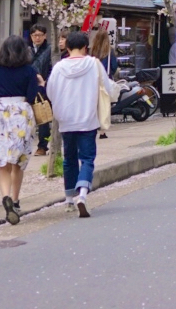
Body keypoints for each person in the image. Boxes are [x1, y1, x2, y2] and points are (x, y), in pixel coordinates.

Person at [0, 34, 45, 226]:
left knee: (2, 163)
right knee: (18, 163)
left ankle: (6, 197)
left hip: (0, 113)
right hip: (21, 114)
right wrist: (41, 85)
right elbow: (32, 95)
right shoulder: (29, 71)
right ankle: (16, 199)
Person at [46, 30, 119, 217]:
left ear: (67, 47)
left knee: (69, 159)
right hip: (88, 118)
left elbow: (50, 92)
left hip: (66, 120)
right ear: (86, 47)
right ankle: (83, 194)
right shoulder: (94, 64)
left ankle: (69, 198)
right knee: (87, 158)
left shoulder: (59, 67)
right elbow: (109, 88)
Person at [28, 24, 53, 155]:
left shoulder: (49, 49)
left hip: (44, 86)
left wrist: (45, 82)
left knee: (43, 115)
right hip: (29, 85)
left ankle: (43, 146)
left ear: (45, 36)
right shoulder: (27, 49)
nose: (37, 38)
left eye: (40, 35)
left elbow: (51, 67)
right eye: (34, 35)